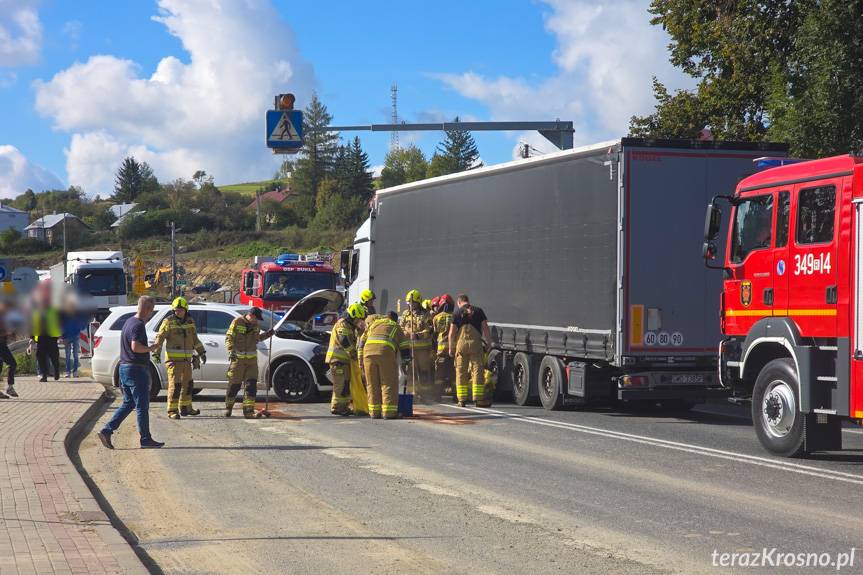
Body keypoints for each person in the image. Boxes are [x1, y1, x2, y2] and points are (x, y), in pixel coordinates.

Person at [97, 296, 164, 449]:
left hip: (125, 368)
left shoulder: (128, 321)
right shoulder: (138, 325)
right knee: (142, 406)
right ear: (146, 309)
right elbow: (135, 347)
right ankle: (145, 439)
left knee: (129, 403)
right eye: (151, 310)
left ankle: (107, 430)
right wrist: (151, 348)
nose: (151, 313)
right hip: (136, 369)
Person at [152, 297, 206, 419]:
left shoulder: (190, 322)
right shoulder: (168, 322)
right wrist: (156, 353)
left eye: (181, 310)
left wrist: (201, 352)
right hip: (173, 361)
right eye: (176, 310)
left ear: (186, 310)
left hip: (187, 361)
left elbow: (195, 339)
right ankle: (172, 411)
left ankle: (186, 408)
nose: (178, 312)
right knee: (175, 386)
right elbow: (160, 338)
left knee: (188, 385)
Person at [224, 307, 273, 418]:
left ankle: (248, 412)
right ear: (251, 315)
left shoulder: (256, 326)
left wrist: (268, 334)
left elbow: (257, 339)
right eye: (256, 319)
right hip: (238, 361)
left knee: (251, 386)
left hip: (251, 362)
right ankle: (228, 407)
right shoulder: (237, 322)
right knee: (234, 386)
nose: (257, 321)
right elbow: (229, 337)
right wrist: (231, 350)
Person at [359, 311, 409, 419]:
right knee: (388, 383)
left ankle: (374, 413)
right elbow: (404, 347)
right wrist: (406, 362)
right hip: (385, 353)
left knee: (372, 384)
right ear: (395, 319)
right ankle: (389, 413)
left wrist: (360, 360)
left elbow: (361, 342)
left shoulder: (374, 323)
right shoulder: (396, 326)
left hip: (367, 354)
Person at [448, 294, 492, 407]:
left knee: (461, 371)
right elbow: (485, 328)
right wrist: (489, 343)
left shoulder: (457, 313)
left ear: (459, 302)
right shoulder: (478, 311)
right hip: (475, 345)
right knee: (477, 370)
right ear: (468, 301)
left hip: (461, 345)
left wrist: (451, 348)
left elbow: (451, 333)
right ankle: (478, 399)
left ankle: (461, 400)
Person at [325, 303, 367, 415]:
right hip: (338, 360)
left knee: (345, 384)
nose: (359, 321)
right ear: (353, 316)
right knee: (341, 384)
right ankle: (337, 408)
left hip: (344, 361)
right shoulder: (342, 324)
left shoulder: (350, 326)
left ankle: (342, 407)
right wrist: (354, 354)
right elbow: (344, 340)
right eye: (358, 319)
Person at [400, 289, 435, 402]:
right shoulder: (405, 314)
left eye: (413, 303)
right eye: (409, 303)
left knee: (424, 373)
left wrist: (418, 335)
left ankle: (425, 395)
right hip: (410, 349)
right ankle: (412, 394)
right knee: (410, 372)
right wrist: (406, 334)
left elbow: (430, 330)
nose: (410, 305)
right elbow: (400, 328)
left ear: (418, 302)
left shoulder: (425, 314)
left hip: (423, 350)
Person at [30, 287, 61, 382]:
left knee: (54, 357)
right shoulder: (36, 312)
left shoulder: (54, 310)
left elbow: (59, 322)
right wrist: (32, 338)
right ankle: (44, 375)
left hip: (52, 337)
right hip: (40, 338)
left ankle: (56, 370)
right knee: (41, 357)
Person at [432, 294, 455, 400]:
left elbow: (435, 333)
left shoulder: (436, 317)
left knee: (439, 375)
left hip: (441, 350)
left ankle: (437, 395)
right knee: (454, 373)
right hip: (453, 348)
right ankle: (457, 395)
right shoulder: (455, 316)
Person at [60, 300, 88, 378]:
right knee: (68, 355)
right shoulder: (64, 314)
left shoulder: (78, 314)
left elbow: (83, 324)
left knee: (75, 355)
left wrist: (80, 327)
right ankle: (68, 372)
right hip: (67, 337)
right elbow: (61, 326)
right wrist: (63, 337)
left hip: (75, 336)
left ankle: (75, 372)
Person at [0, 300, 17, 398]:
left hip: (2, 344)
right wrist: (7, 333)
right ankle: (10, 387)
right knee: (12, 363)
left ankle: (8, 388)